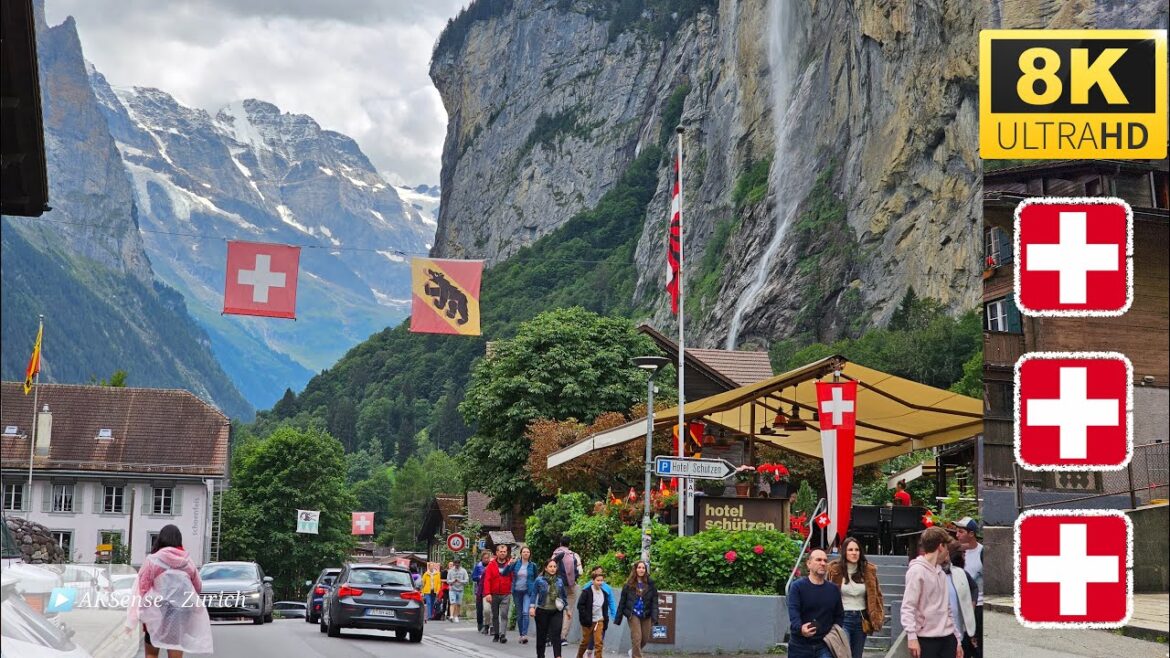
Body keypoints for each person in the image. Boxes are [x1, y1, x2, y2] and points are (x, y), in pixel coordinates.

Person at [128, 524, 212, 657]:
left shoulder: (152, 561)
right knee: (175, 649)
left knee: (151, 652)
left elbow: (142, 588)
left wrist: (136, 614)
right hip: (179, 613)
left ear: (160, 539)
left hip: (155, 612)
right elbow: (197, 587)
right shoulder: (187, 562)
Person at [901, 526, 963, 658]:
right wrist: (912, 637)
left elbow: (947, 609)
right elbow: (908, 607)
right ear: (941, 546)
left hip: (948, 638)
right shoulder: (916, 571)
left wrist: (957, 639)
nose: (947, 553)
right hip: (926, 639)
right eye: (947, 548)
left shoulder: (941, 572)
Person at [827, 537, 885, 658]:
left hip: (861, 619)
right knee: (843, 654)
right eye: (850, 550)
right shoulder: (835, 570)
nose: (854, 553)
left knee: (857, 655)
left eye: (857, 550)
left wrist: (877, 616)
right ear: (844, 552)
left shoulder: (868, 571)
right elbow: (828, 595)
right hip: (843, 618)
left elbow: (877, 596)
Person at [787, 548, 844, 658]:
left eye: (825, 560)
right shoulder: (797, 587)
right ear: (809, 564)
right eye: (818, 560)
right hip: (800, 645)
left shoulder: (833, 589)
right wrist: (800, 629)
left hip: (825, 645)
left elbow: (839, 615)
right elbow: (794, 612)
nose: (823, 563)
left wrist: (832, 634)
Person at [951, 517, 983, 658]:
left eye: (961, 532)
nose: (957, 535)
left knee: (977, 645)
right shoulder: (954, 552)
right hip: (957, 605)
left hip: (977, 605)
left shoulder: (982, 552)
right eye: (956, 532)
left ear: (971, 534)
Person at [615, 560, 659, 658]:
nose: (641, 570)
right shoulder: (628, 584)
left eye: (643, 568)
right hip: (633, 614)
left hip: (646, 614)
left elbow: (654, 602)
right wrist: (618, 618)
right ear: (635, 569)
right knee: (637, 638)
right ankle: (637, 656)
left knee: (644, 639)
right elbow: (622, 602)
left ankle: (633, 651)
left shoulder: (651, 584)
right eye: (639, 567)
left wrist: (655, 617)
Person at [945, 541, 978, 658]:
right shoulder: (936, 575)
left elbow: (974, 587)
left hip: (961, 628)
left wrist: (972, 604)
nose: (965, 557)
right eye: (963, 554)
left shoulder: (960, 573)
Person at [530, 558, 568, 658]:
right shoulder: (539, 580)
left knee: (556, 634)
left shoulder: (559, 581)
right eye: (550, 566)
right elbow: (533, 594)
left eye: (554, 567)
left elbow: (563, 596)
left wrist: (567, 609)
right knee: (541, 636)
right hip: (542, 611)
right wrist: (532, 607)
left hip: (556, 611)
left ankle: (558, 656)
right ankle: (541, 655)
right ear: (546, 568)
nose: (552, 568)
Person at [574, 567, 613, 658]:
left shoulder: (604, 593)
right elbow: (580, 605)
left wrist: (605, 618)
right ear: (593, 580)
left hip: (599, 620)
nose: (600, 583)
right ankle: (579, 656)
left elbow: (605, 607)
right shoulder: (586, 592)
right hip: (588, 621)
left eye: (601, 581)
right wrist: (585, 617)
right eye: (598, 580)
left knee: (598, 643)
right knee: (585, 642)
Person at [552, 535, 583, 646]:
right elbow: (580, 572)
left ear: (560, 543)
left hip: (556, 586)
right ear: (569, 544)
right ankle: (563, 637)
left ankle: (553, 635)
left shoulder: (555, 554)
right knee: (568, 611)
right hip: (571, 587)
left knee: (556, 609)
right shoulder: (574, 555)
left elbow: (551, 569)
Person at [483, 543, 516, 643]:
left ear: (507, 553)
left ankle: (503, 635)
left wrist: (512, 590)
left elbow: (513, 578)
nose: (502, 553)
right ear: (497, 553)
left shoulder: (509, 565)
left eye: (504, 552)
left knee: (504, 614)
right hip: (494, 593)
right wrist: (487, 593)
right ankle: (496, 634)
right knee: (495, 615)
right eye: (500, 551)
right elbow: (487, 580)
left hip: (506, 593)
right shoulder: (491, 565)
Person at [508, 545, 538, 644]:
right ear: (521, 553)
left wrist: (535, 589)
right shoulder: (516, 564)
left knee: (526, 612)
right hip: (516, 592)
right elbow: (504, 573)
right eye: (524, 552)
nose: (526, 553)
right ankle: (521, 634)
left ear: (530, 554)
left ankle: (524, 635)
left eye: (527, 552)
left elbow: (536, 578)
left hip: (527, 592)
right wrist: (509, 564)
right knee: (519, 615)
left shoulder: (533, 565)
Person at [472, 549, 492, 633]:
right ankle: (480, 624)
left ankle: (487, 624)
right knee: (479, 609)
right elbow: (473, 577)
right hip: (480, 591)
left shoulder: (491, 566)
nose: (486, 559)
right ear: (482, 559)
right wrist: (480, 577)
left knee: (488, 609)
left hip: (489, 590)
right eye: (485, 558)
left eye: (488, 558)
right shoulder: (478, 566)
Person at [447, 557, 469, 623]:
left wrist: (460, 581)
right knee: (453, 603)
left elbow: (466, 580)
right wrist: (453, 581)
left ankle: (456, 616)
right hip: (452, 589)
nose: (457, 564)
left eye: (458, 563)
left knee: (458, 604)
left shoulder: (463, 571)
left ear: (460, 563)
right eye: (455, 563)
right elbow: (448, 581)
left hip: (460, 590)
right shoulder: (450, 571)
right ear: (454, 563)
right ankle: (451, 616)